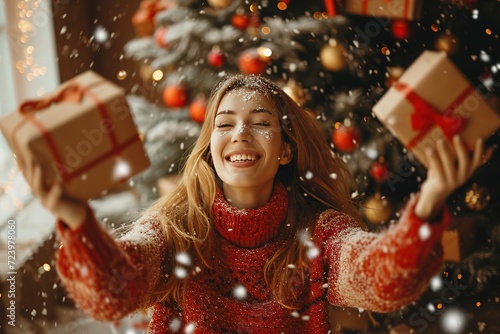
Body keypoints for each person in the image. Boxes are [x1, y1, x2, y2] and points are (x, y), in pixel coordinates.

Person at [25, 74, 490, 333]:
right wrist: (74, 217)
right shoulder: (173, 228)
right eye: (224, 124)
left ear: (285, 149)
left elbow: (379, 280)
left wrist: (428, 202)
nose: (240, 134)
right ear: (210, 148)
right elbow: (113, 293)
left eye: (260, 122)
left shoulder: (321, 230)